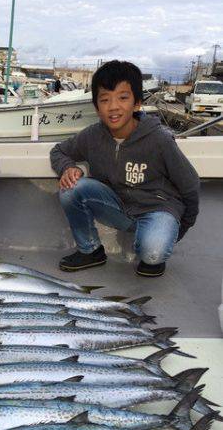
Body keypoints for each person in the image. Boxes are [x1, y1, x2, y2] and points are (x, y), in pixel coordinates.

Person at [50, 60, 199, 277]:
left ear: (137, 103)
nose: (113, 107)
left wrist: (178, 228)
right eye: (104, 99)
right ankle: (90, 250)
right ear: (96, 107)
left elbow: (190, 185)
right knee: (70, 187)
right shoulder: (93, 136)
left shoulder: (160, 140)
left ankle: (152, 249)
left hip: (157, 209)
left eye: (123, 97)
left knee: (153, 253)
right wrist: (68, 168)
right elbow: (58, 151)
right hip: (118, 206)